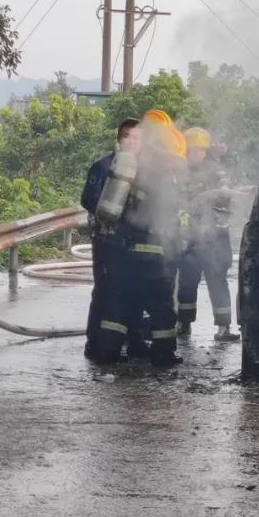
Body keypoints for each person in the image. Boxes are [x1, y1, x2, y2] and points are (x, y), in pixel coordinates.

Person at [88, 114, 184, 367]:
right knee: (163, 307)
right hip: (150, 255)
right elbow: (166, 217)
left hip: (123, 251)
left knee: (119, 304)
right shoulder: (158, 177)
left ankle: (106, 352)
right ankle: (163, 355)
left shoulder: (131, 170)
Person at [80, 117, 147, 361]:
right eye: (127, 136)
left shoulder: (145, 169)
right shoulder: (103, 166)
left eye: (137, 138)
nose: (132, 142)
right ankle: (94, 343)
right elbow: (87, 199)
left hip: (134, 241)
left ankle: (133, 342)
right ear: (119, 139)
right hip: (106, 239)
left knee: (134, 290)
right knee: (105, 290)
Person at [173, 127, 239, 341]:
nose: (195, 154)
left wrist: (222, 191)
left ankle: (223, 327)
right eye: (192, 150)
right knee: (187, 280)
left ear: (205, 151)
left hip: (215, 237)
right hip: (189, 235)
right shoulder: (179, 171)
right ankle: (183, 323)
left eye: (199, 150)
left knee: (217, 278)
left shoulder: (216, 170)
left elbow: (226, 188)